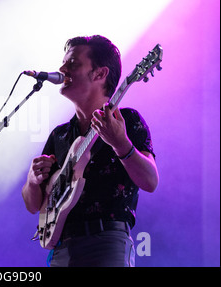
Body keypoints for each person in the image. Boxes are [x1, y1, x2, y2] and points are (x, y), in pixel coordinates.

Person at [22, 35, 159, 267]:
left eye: (73, 63)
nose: (62, 69)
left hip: (107, 242)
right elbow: (33, 205)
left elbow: (150, 181)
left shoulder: (127, 120)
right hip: (61, 248)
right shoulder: (60, 135)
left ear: (100, 74)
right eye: (64, 63)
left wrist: (120, 143)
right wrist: (33, 181)